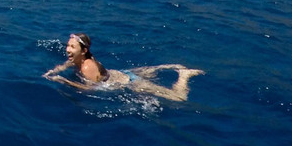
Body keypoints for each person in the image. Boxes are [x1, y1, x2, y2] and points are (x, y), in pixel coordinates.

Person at [43, 33, 203, 101]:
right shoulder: (75, 59)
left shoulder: (87, 67)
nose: (68, 50)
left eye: (72, 47)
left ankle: (184, 76)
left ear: (83, 51)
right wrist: (53, 71)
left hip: (128, 82)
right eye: (68, 46)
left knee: (178, 97)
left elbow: (90, 89)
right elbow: (64, 65)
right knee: (151, 71)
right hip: (119, 73)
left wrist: (64, 81)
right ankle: (171, 66)